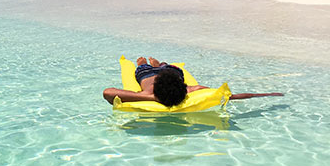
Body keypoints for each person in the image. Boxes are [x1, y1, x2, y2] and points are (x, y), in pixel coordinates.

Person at [102, 56, 283, 107]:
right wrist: (265, 94)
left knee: (145, 65)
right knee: (148, 64)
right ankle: (156, 63)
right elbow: (232, 96)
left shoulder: (147, 93)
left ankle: (157, 64)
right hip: (167, 73)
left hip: (151, 76)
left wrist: (152, 98)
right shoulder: (192, 90)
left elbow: (108, 93)